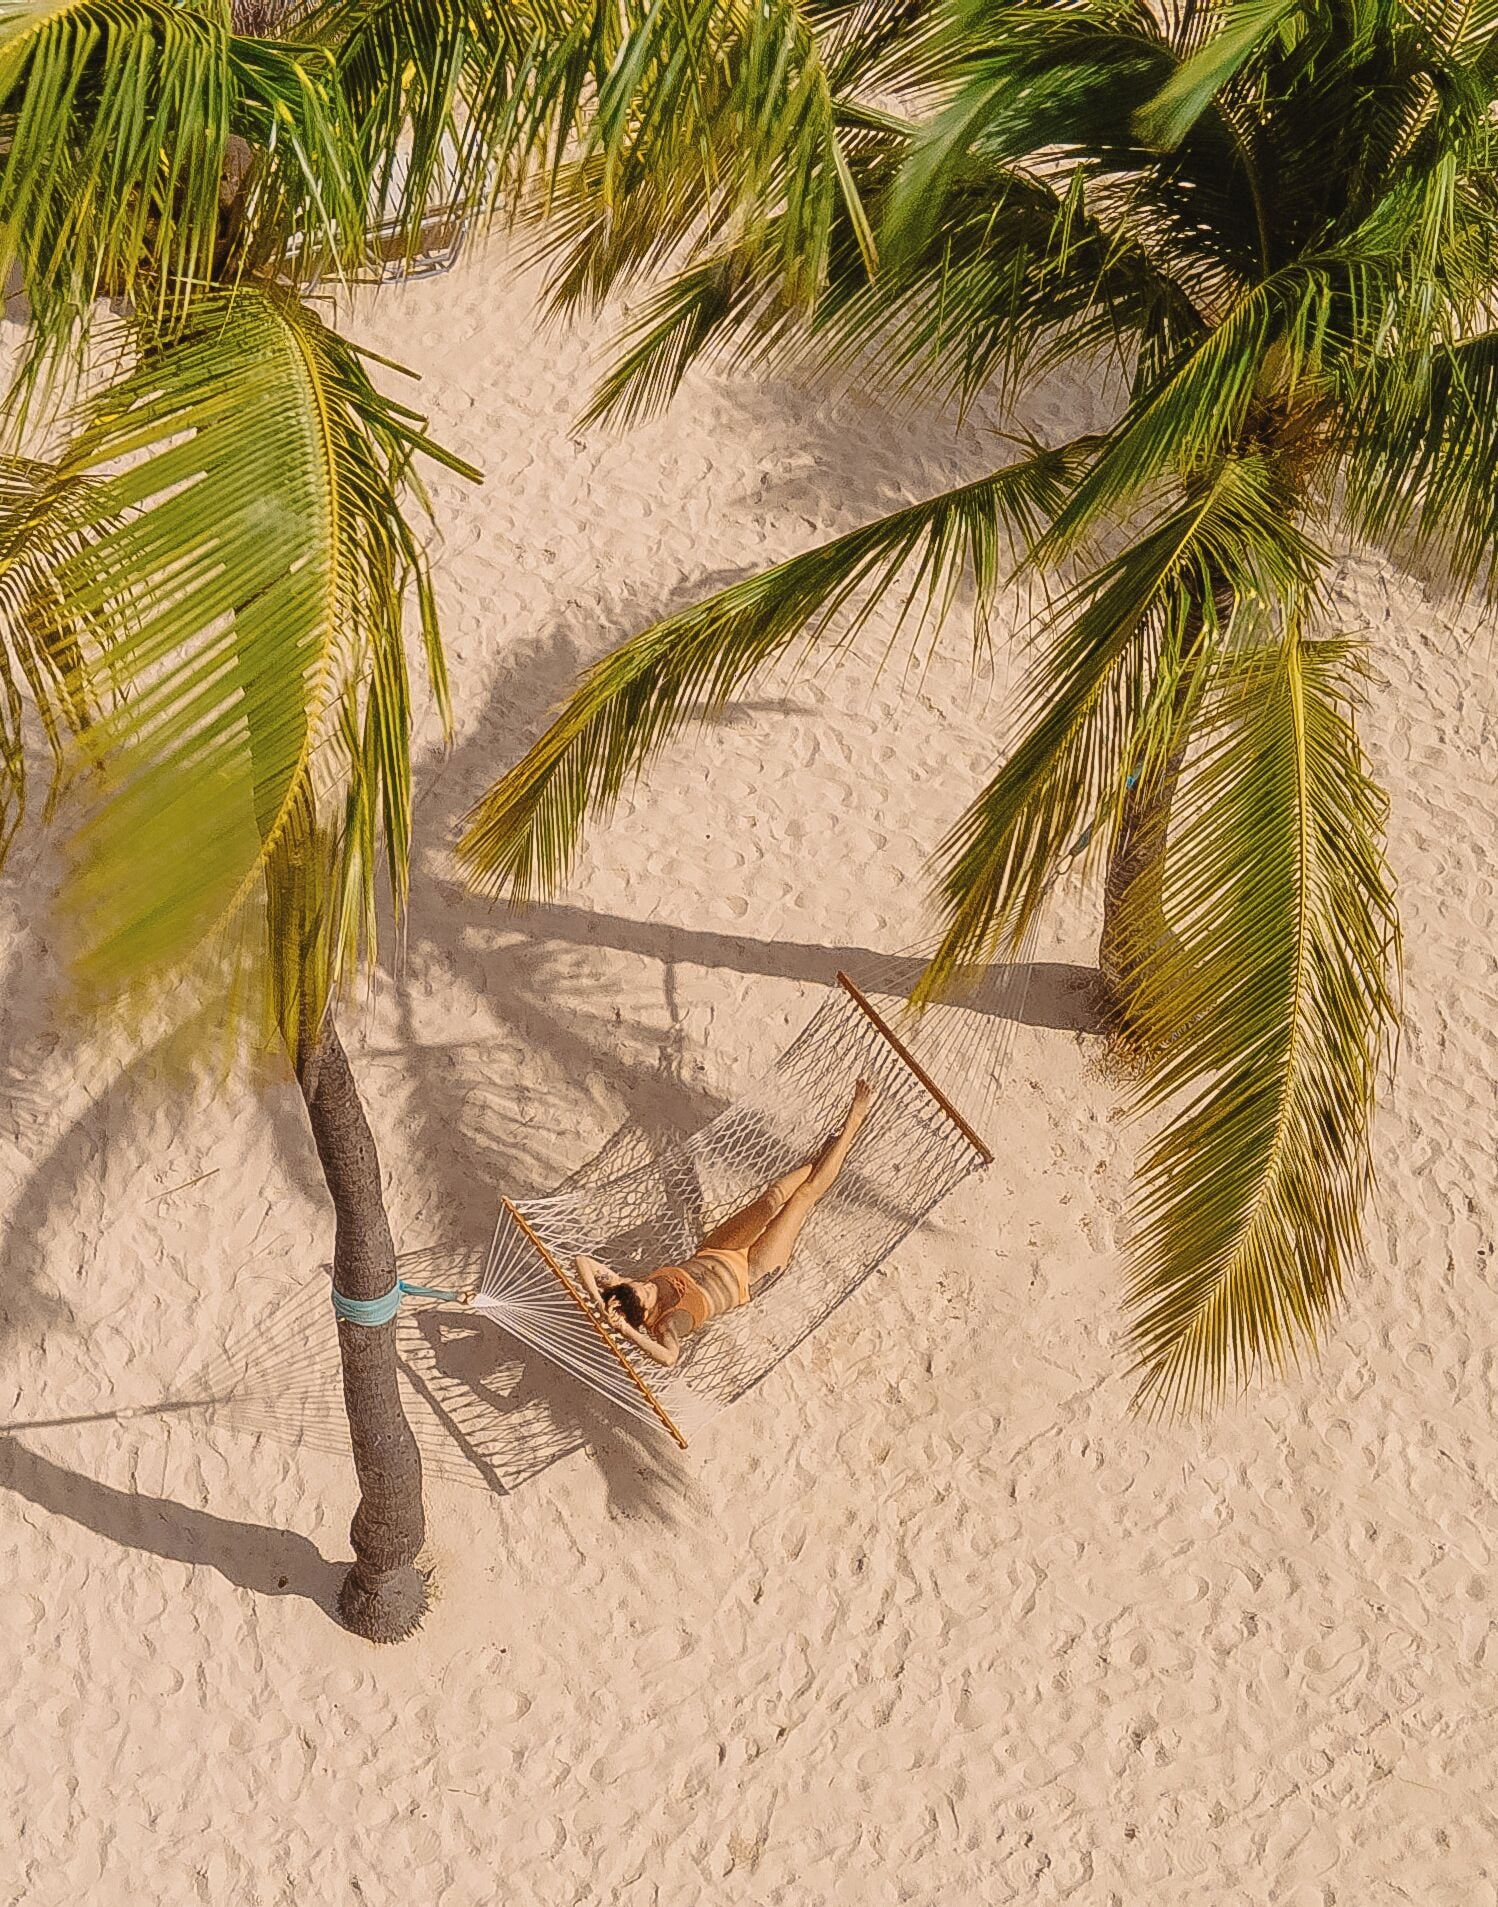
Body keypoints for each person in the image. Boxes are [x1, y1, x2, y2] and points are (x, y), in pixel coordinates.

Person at [574, 1079, 875, 1367]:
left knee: (771, 1200)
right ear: (643, 1313)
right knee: (803, 1198)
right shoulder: (666, 1324)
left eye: (640, 1285)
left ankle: (822, 1159)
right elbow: (668, 1358)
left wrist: (602, 1305)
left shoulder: (626, 1291)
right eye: (646, 1295)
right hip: (751, 1275)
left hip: (718, 1249)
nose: (645, 1285)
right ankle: (851, 1127)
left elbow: (583, 1261)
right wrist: (626, 1332)